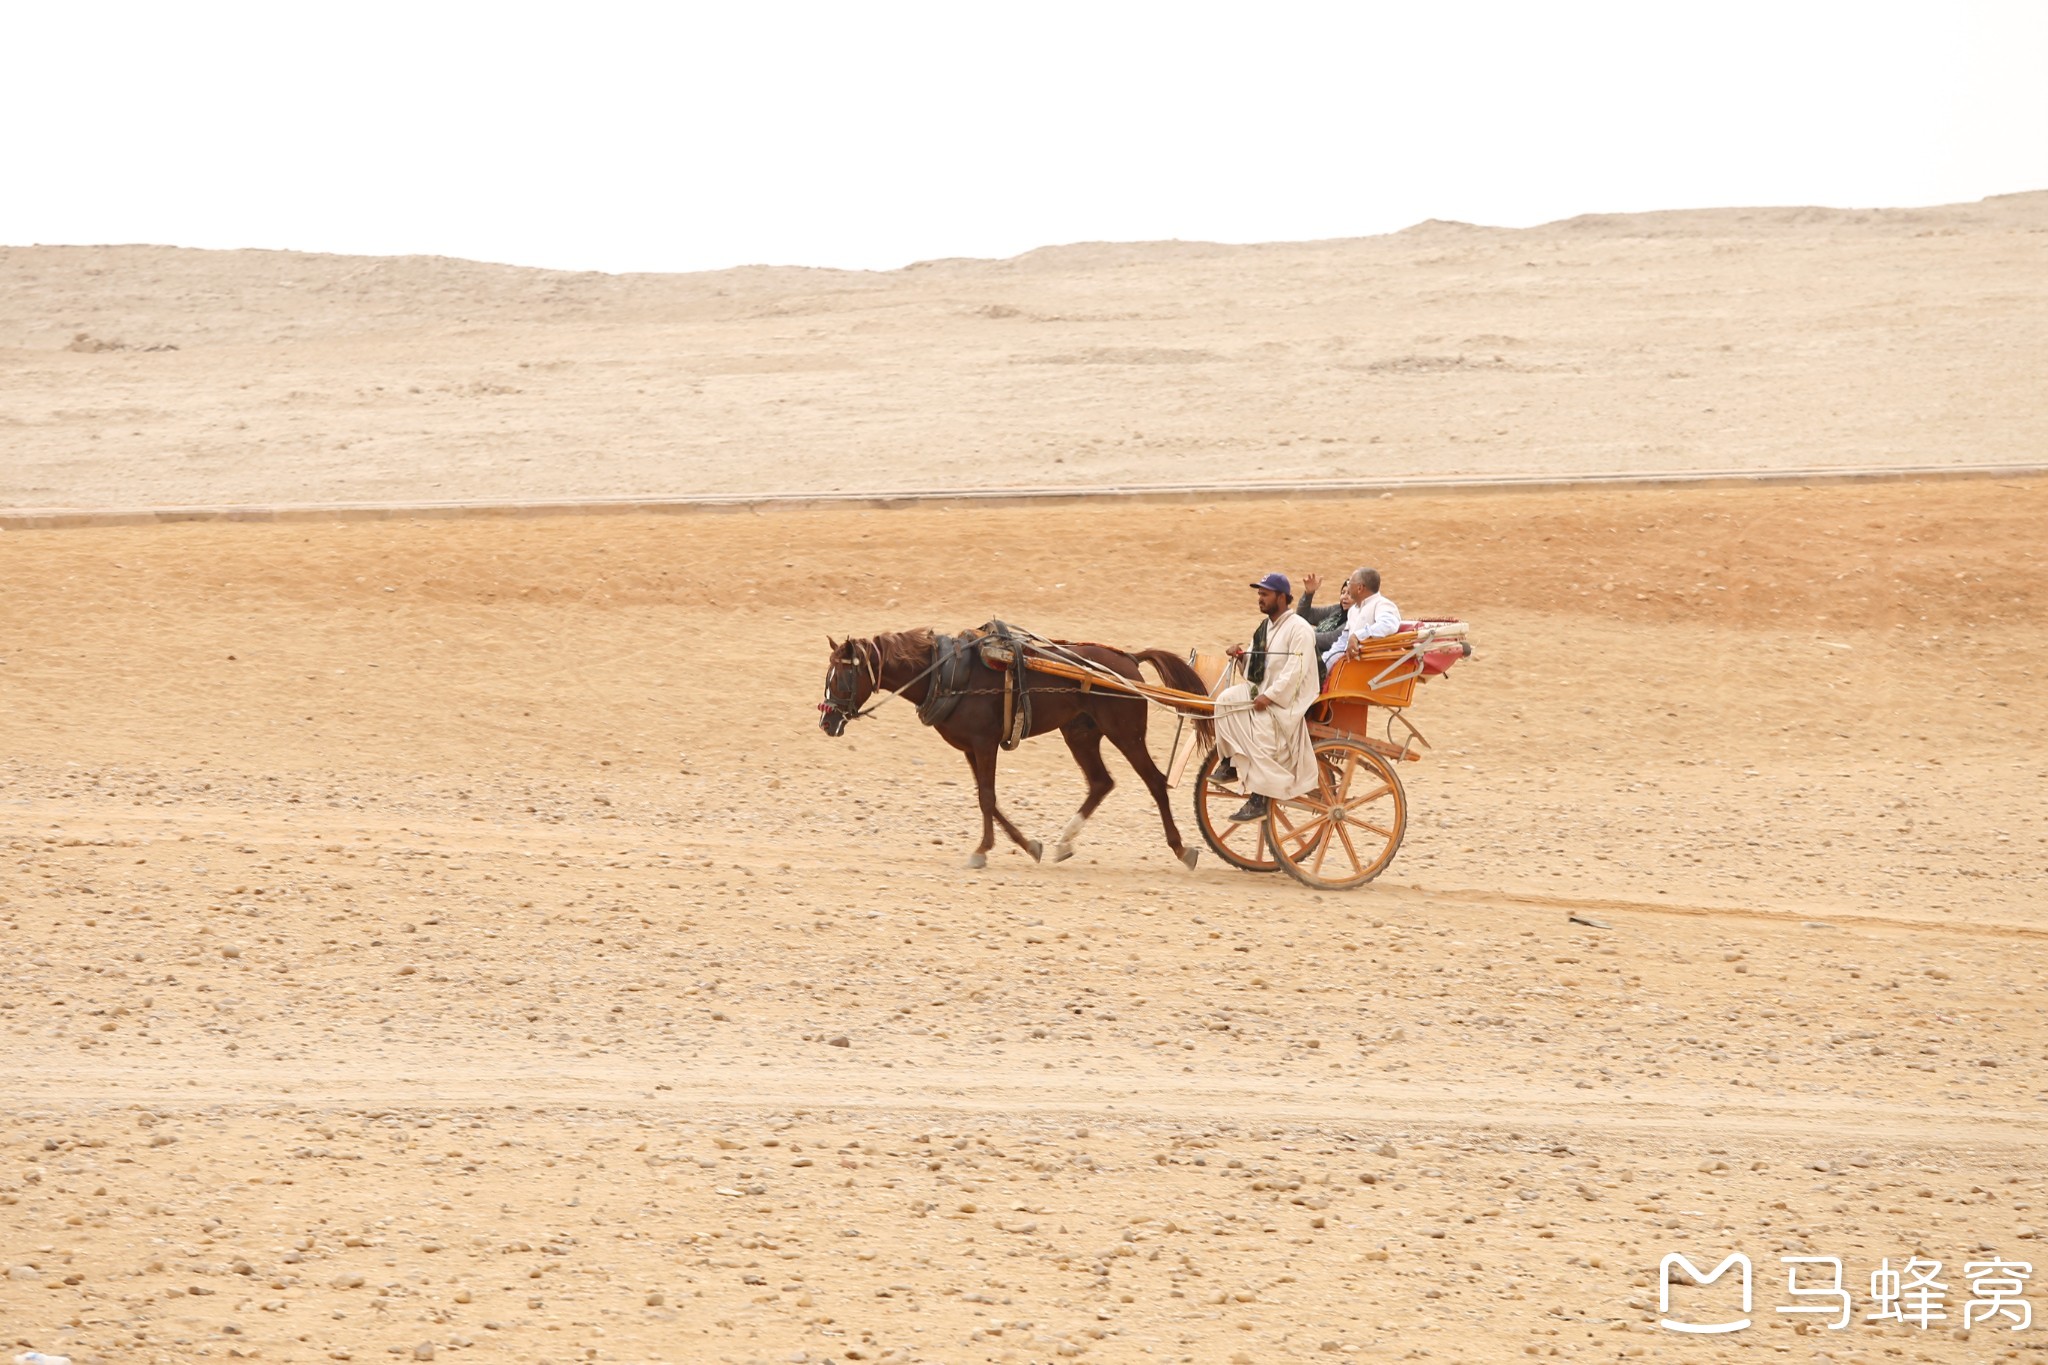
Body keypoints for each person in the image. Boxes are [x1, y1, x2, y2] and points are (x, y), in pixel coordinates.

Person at [1211, 572, 1321, 822]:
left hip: (1289, 701)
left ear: (1281, 598)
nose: (1259, 599)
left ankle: (1259, 799)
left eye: (1265, 594)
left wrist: (1270, 697)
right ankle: (1229, 762)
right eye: (1259, 594)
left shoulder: (1300, 629)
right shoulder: (1265, 628)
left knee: (1260, 728)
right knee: (1225, 701)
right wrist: (1241, 656)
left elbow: (1296, 672)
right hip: (1265, 692)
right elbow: (1255, 667)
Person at [1319, 567, 1401, 673]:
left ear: (1360, 588)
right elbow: (1342, 642)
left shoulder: (1382, 604)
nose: (1348, 586)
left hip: (1367, 667)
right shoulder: (1353, 610)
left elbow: (1388, 625)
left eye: (1350, 583)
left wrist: (1358, 636)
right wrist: (1322, 662)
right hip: (1344, 664)